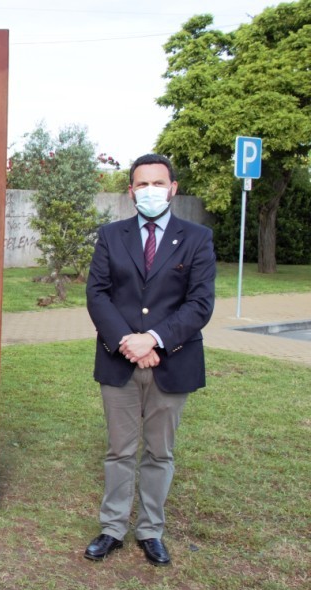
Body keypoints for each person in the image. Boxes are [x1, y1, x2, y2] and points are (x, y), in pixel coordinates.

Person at [83, 154, 216, 566]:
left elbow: (200, 302)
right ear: (131, 192)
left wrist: (153, 340)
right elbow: (98, 293)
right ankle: (112, 528)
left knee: (159, 453)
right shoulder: (111, 235)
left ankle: (151, 530)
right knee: (119, 450)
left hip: (172, 361)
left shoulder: (197, 237)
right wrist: (127, 340)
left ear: (173, 188)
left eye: (158, 183)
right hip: (118, 358)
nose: (150, 190)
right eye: (142, 184)